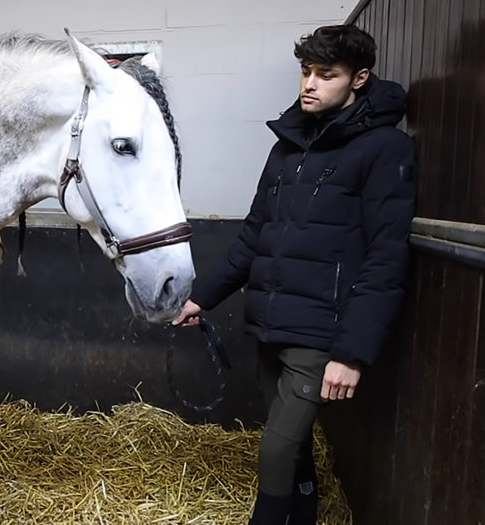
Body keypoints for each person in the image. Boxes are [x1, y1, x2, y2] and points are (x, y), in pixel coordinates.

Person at [172, 25, 416, 525]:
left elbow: (386, 258)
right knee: (295, 441)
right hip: (269, 321)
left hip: (321, 332)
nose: (310, 83)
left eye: (327, 75)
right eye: (306, 72)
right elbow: (254, 235)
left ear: (359, 79)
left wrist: (350, 353)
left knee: (276, 450)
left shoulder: (386, 149)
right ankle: (304, 513)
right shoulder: (288, 148)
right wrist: (202, 299)